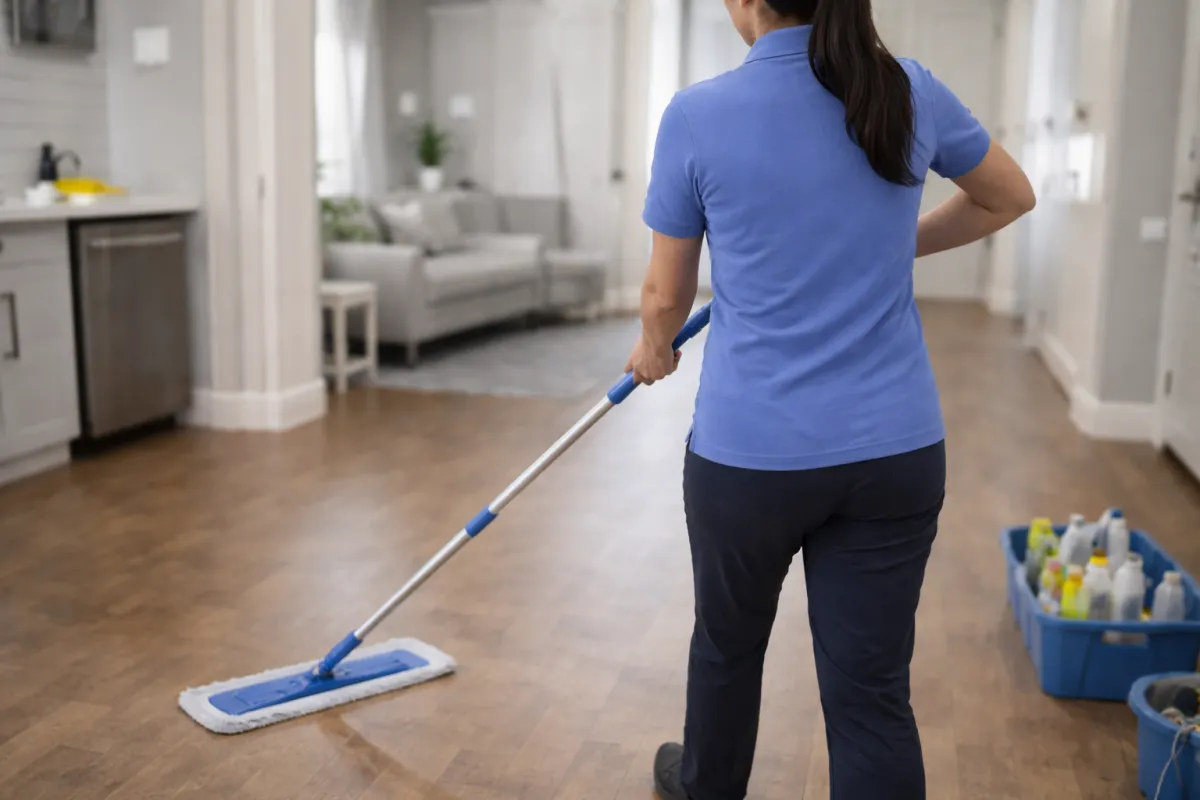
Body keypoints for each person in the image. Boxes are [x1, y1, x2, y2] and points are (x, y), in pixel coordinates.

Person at [623, 0, 1035, 798]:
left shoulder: (697, 113)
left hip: (749, 460)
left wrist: (653, 347)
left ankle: (705, 785)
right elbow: (1007, 196)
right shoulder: (908, 89)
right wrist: (889, 235)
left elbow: (664, 298)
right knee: (871, 692)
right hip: (893, 453)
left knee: (727, 649)